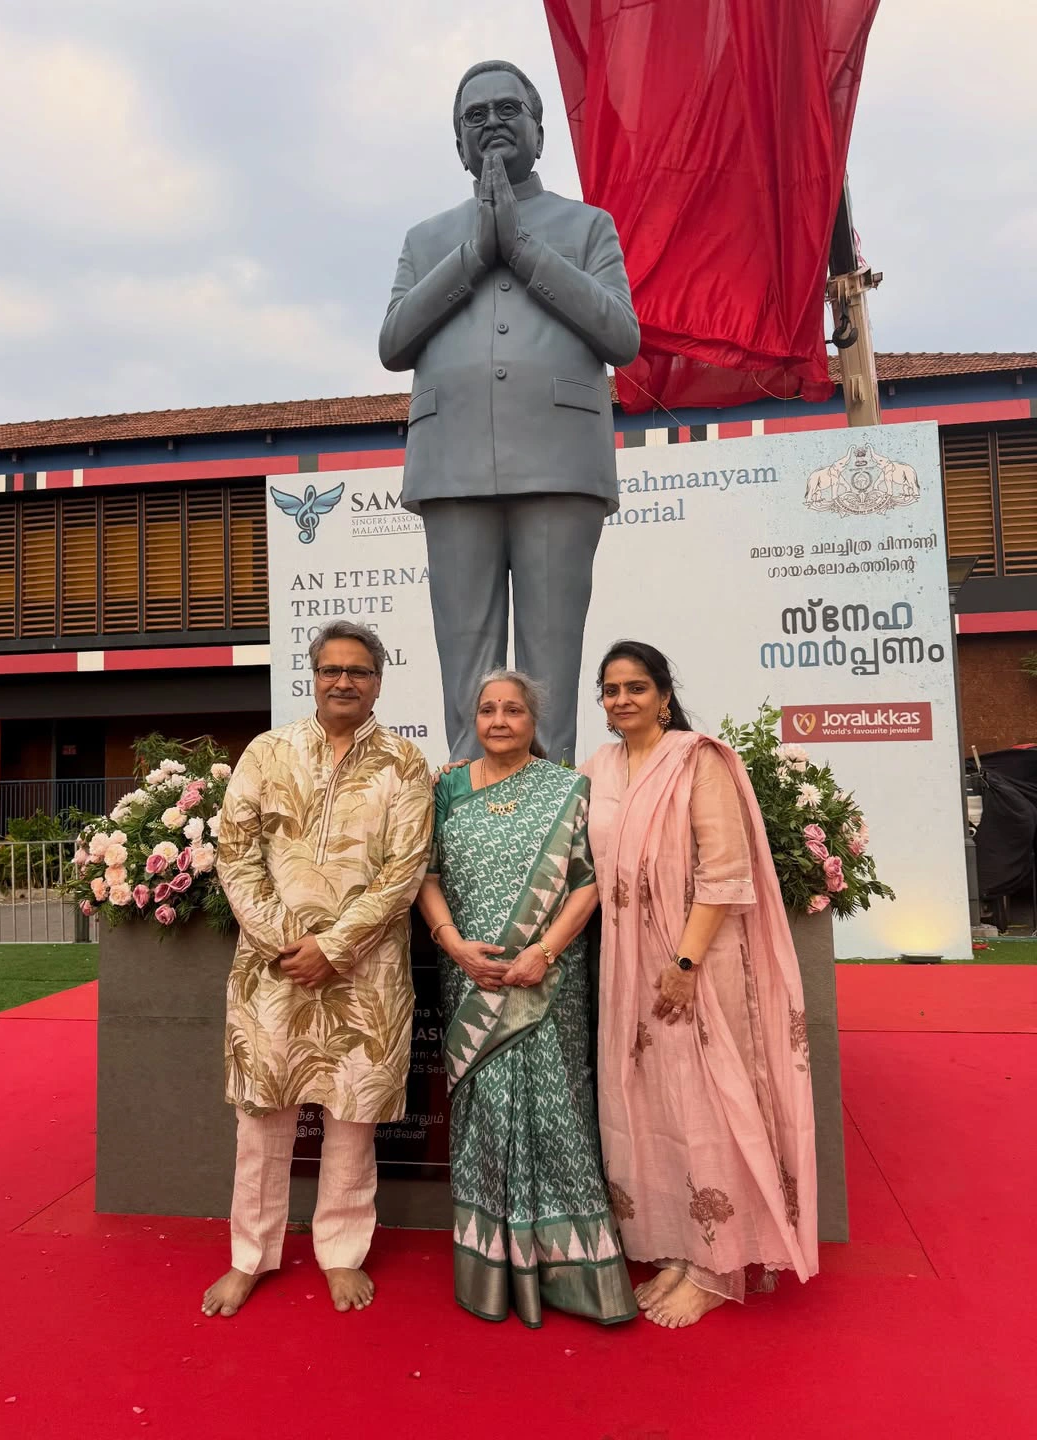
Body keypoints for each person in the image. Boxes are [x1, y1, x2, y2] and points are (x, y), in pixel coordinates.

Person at [379, 60, 640, 766]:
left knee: (550, 653)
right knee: (464, 651)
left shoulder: (587, 226)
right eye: (475, 115)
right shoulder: (427, 239)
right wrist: (475, 253)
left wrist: (520, 249)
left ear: (538, 131)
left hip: (560, 460)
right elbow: (393, 343)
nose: (491, 123)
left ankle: (549, 802)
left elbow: (621, 335)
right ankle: (469, 798)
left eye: (506, 109)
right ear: (458, 145)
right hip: (451, 463)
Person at [581, 640, 818, 1329]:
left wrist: (683, 966)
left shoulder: (698, 760)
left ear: (663, 695)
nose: (622, 699)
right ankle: (681, 1249)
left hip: (694, 961)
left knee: (708, 1104)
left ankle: (718, 1266)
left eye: (636, 687)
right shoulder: (598, 767)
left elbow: (724, 870)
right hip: (626, 964)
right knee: (650, 1107)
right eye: (611, 689)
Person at [201, 621, 433, 1319]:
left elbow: (404, 871)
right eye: (331, 669)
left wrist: (334, 947)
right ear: (314, 676)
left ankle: (341, 1252)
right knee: (262, 1120)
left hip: (365, 972)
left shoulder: (404, 763)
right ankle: (249, 1256)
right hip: (273, 972)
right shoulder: (267, 752)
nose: (343, 681)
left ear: (378, 682)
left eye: (358, 671)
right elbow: (235, 854)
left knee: (352, 1118)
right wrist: (286, 940)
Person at [417, 670, 636, 1328]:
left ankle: (571, 1275)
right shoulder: (448, 788)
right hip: (470, 980)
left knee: (555, 1108)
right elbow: (426, 875)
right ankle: (490, 1271)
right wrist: (453, 944)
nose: (499, 720)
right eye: (487, 710)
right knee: (485, 1116)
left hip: (548, 981)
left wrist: (543, 952)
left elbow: (587, 882)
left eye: (513, 710)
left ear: (534, 721)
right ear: (473, 719)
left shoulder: (567, 789)